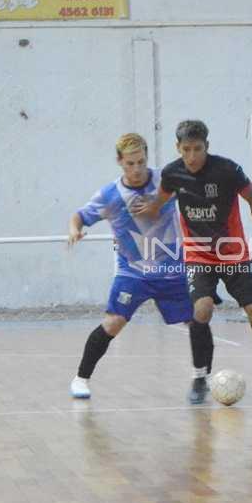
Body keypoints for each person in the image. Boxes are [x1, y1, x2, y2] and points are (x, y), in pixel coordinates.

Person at [132, 120, 252, 404]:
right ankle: (200, 377)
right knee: (201, 311)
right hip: (198, 254)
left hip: (233, 254)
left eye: (197, 149)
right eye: (186, 149)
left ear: (207, 146)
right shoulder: (172, 174)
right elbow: (159, 202)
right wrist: (145, 210)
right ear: (178, 148)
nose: (192, 156)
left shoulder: (227, 170)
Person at [66, 133, 193, 399]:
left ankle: (201, 377)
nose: (136, 169)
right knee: (113, 323)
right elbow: (79, 215)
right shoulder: (110, 195)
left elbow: (194, 192)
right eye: (130, 164)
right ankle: (80, 379)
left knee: (198, 319)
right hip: (132, 272)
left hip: (171, 269)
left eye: (141, 162)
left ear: (147, 158)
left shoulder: (166, 180)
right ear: (119, 162)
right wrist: (74, 230)